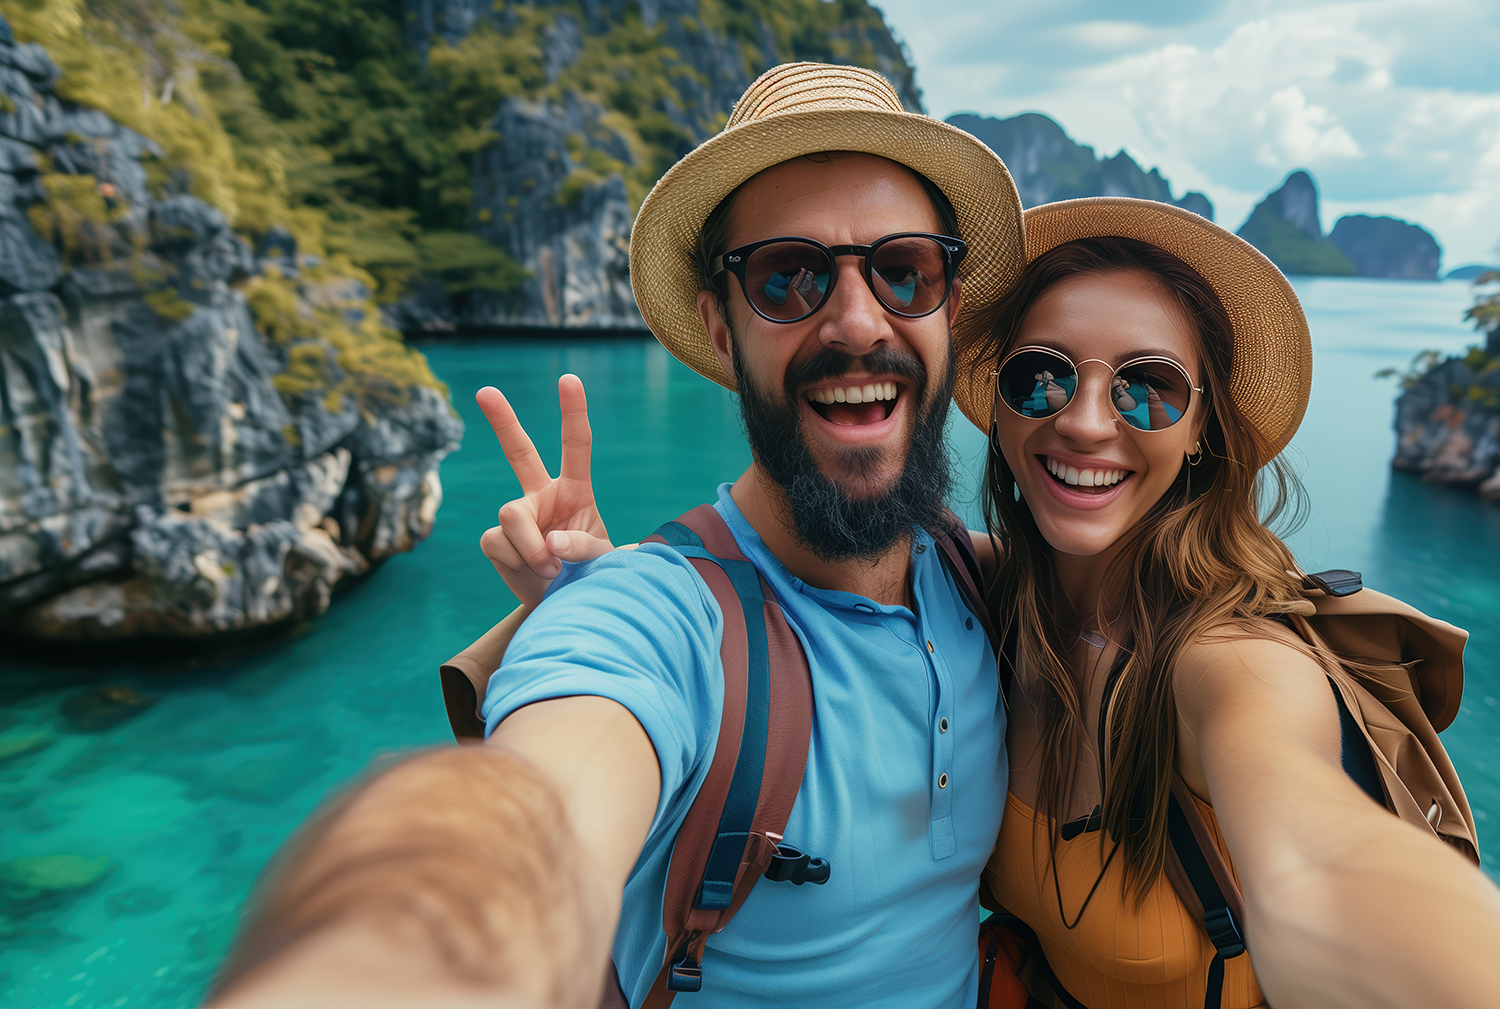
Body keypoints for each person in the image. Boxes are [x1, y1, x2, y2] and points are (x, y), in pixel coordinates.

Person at [453, 201, 1500, 1009]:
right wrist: (577, 599)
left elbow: (1322, 863)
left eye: (1148, 388)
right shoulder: (981, 589)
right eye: (1042, 376)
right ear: (997, 407)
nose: (1088, 422)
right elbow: (545, 808)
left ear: (1206, 429)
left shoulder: (1230, 661)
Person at [205, 62, 1027, 1009]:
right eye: (787, 277)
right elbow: (527, 825)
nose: (855, 318)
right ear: (721, 326)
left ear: (950, 308)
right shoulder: (649, 617)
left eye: (904, 271)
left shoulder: (983, 583)